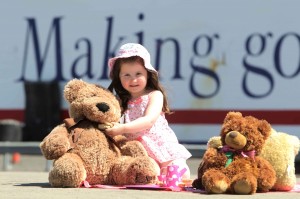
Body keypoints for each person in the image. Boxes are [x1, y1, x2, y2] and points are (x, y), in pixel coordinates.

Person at [105, 43, 192, 179]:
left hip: (159, 145)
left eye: (138, 74)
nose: (133, 79)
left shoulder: (155, 95)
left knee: (181, 172)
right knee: (147, 172)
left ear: (147, 74)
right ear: (119, 77)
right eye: (126, 75)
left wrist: (122, 128)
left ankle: (169, 173)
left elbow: (149, 120)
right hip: (138, 150)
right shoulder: (120, 100)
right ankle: (154, 175)